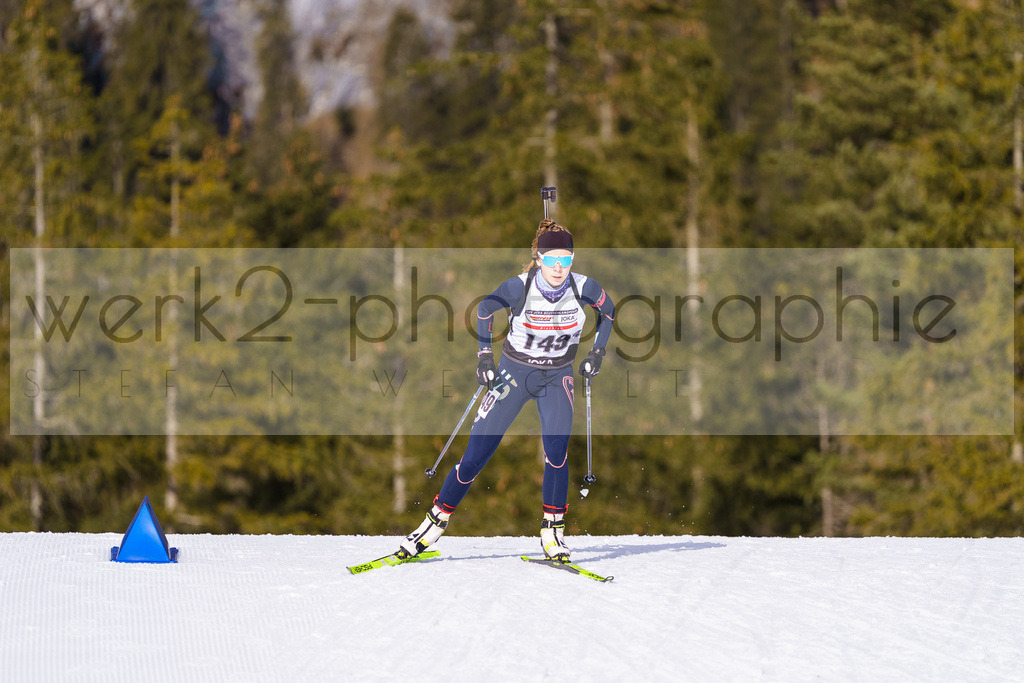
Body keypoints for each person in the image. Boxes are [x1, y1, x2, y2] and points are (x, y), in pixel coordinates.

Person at [398, 218, 615, 561]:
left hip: (557, 376)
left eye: (566, 259)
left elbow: (609, 311)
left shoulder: (584, 287)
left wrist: (598, 352)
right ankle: (433, 525)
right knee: (475, 457)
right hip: (513, 374)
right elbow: (485, 309)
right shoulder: (519, 287)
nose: (559, 267)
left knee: (557, 451)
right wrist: (485, 356)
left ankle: (552, 533)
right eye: (552, 259)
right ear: (539, 258)